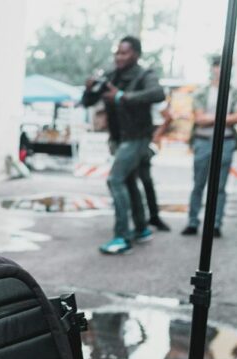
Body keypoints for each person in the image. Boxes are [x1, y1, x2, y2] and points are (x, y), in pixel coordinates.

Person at [82, 36, 166, 255]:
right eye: (117, 53)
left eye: (124, 53)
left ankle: (122, 237)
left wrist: (121, 96)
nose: (119, 57)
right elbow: (88, 102)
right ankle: (141, 229)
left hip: (137, 138)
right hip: (119, 138)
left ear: (136, 54)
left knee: (115, 180)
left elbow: (158, 94)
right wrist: (89, 89)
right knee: (128, 182)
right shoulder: (111, 75)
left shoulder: (145, 75)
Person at [183, 56, 237, 238]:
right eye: (218, 66)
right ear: (213, 68)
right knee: (198, 183)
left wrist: (211, 118)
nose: (220, 70)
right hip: (203, 141)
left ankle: (215, 224)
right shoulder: (202, 93)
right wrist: (225, 118)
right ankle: (192, 222)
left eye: (225, 66)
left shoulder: (236, 93)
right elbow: (199, 119)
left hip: (226, 141)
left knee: (219, 186)